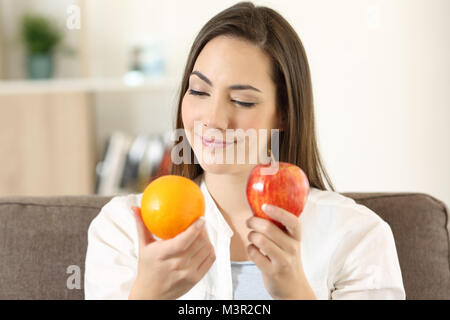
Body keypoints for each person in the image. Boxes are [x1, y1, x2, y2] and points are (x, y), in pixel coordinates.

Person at [84, 2, 405, 300]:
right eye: (198, 91)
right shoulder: (123, 228)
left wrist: (296, 291)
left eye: (242, 100)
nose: (213, 119)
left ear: (284, 114)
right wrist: (146, 295)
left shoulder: (356, 234)